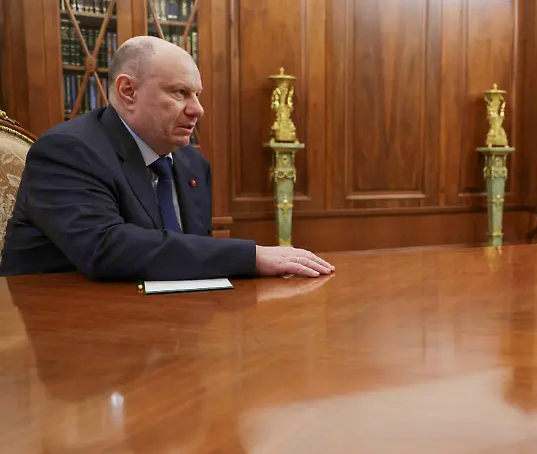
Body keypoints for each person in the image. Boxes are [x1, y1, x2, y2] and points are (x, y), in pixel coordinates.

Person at [0, 36, 334, 280]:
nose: (197, 109)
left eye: (197, 95)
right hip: (65, 327)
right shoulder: (67, 152)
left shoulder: (191, 163)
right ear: (128, 91)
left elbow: (192, 255)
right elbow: (106, 247)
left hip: (164, 327)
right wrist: (253, 256)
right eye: (180, 93)